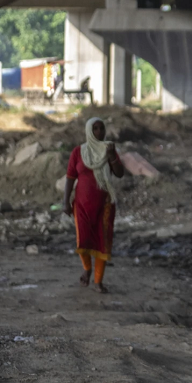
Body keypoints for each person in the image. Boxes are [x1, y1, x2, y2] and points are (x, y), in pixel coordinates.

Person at [62, 118, 124, 293]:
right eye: (95, 128)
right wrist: (65, 201)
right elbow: (70, 177)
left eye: (101, 128)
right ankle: (87, 268)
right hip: (81, 205)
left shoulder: (109, 149)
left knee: (102, 241)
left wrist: (112, 156)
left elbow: (119, 174)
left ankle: (98, 282)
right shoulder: (78, 152)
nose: (99, 132)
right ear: (89, 131)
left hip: (104, 205)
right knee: (83, 241)